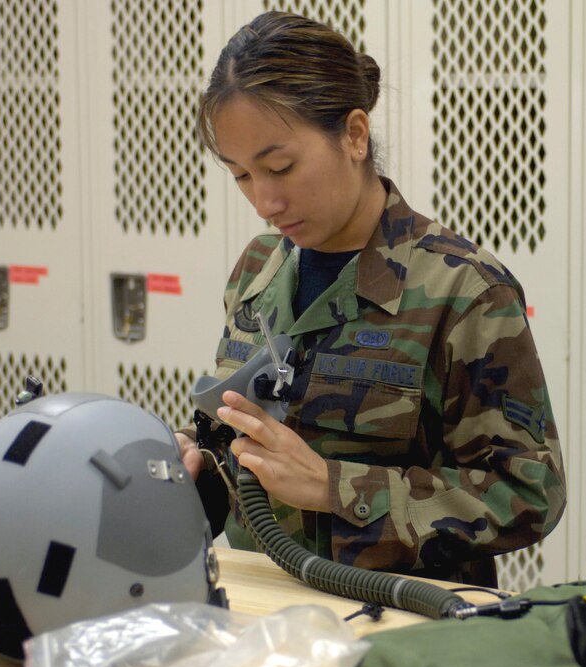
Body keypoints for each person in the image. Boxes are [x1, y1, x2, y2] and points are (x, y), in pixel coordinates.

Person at [177, 10, 565, 587]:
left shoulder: (462, 289)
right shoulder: (259, 267)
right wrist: (197, 461)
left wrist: (334, 488)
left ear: (354, 136)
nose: (264, 200)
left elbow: (530, 492)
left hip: (399, 628)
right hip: (259, 610)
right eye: (241, 176)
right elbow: (244, 445)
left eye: (280, 167)